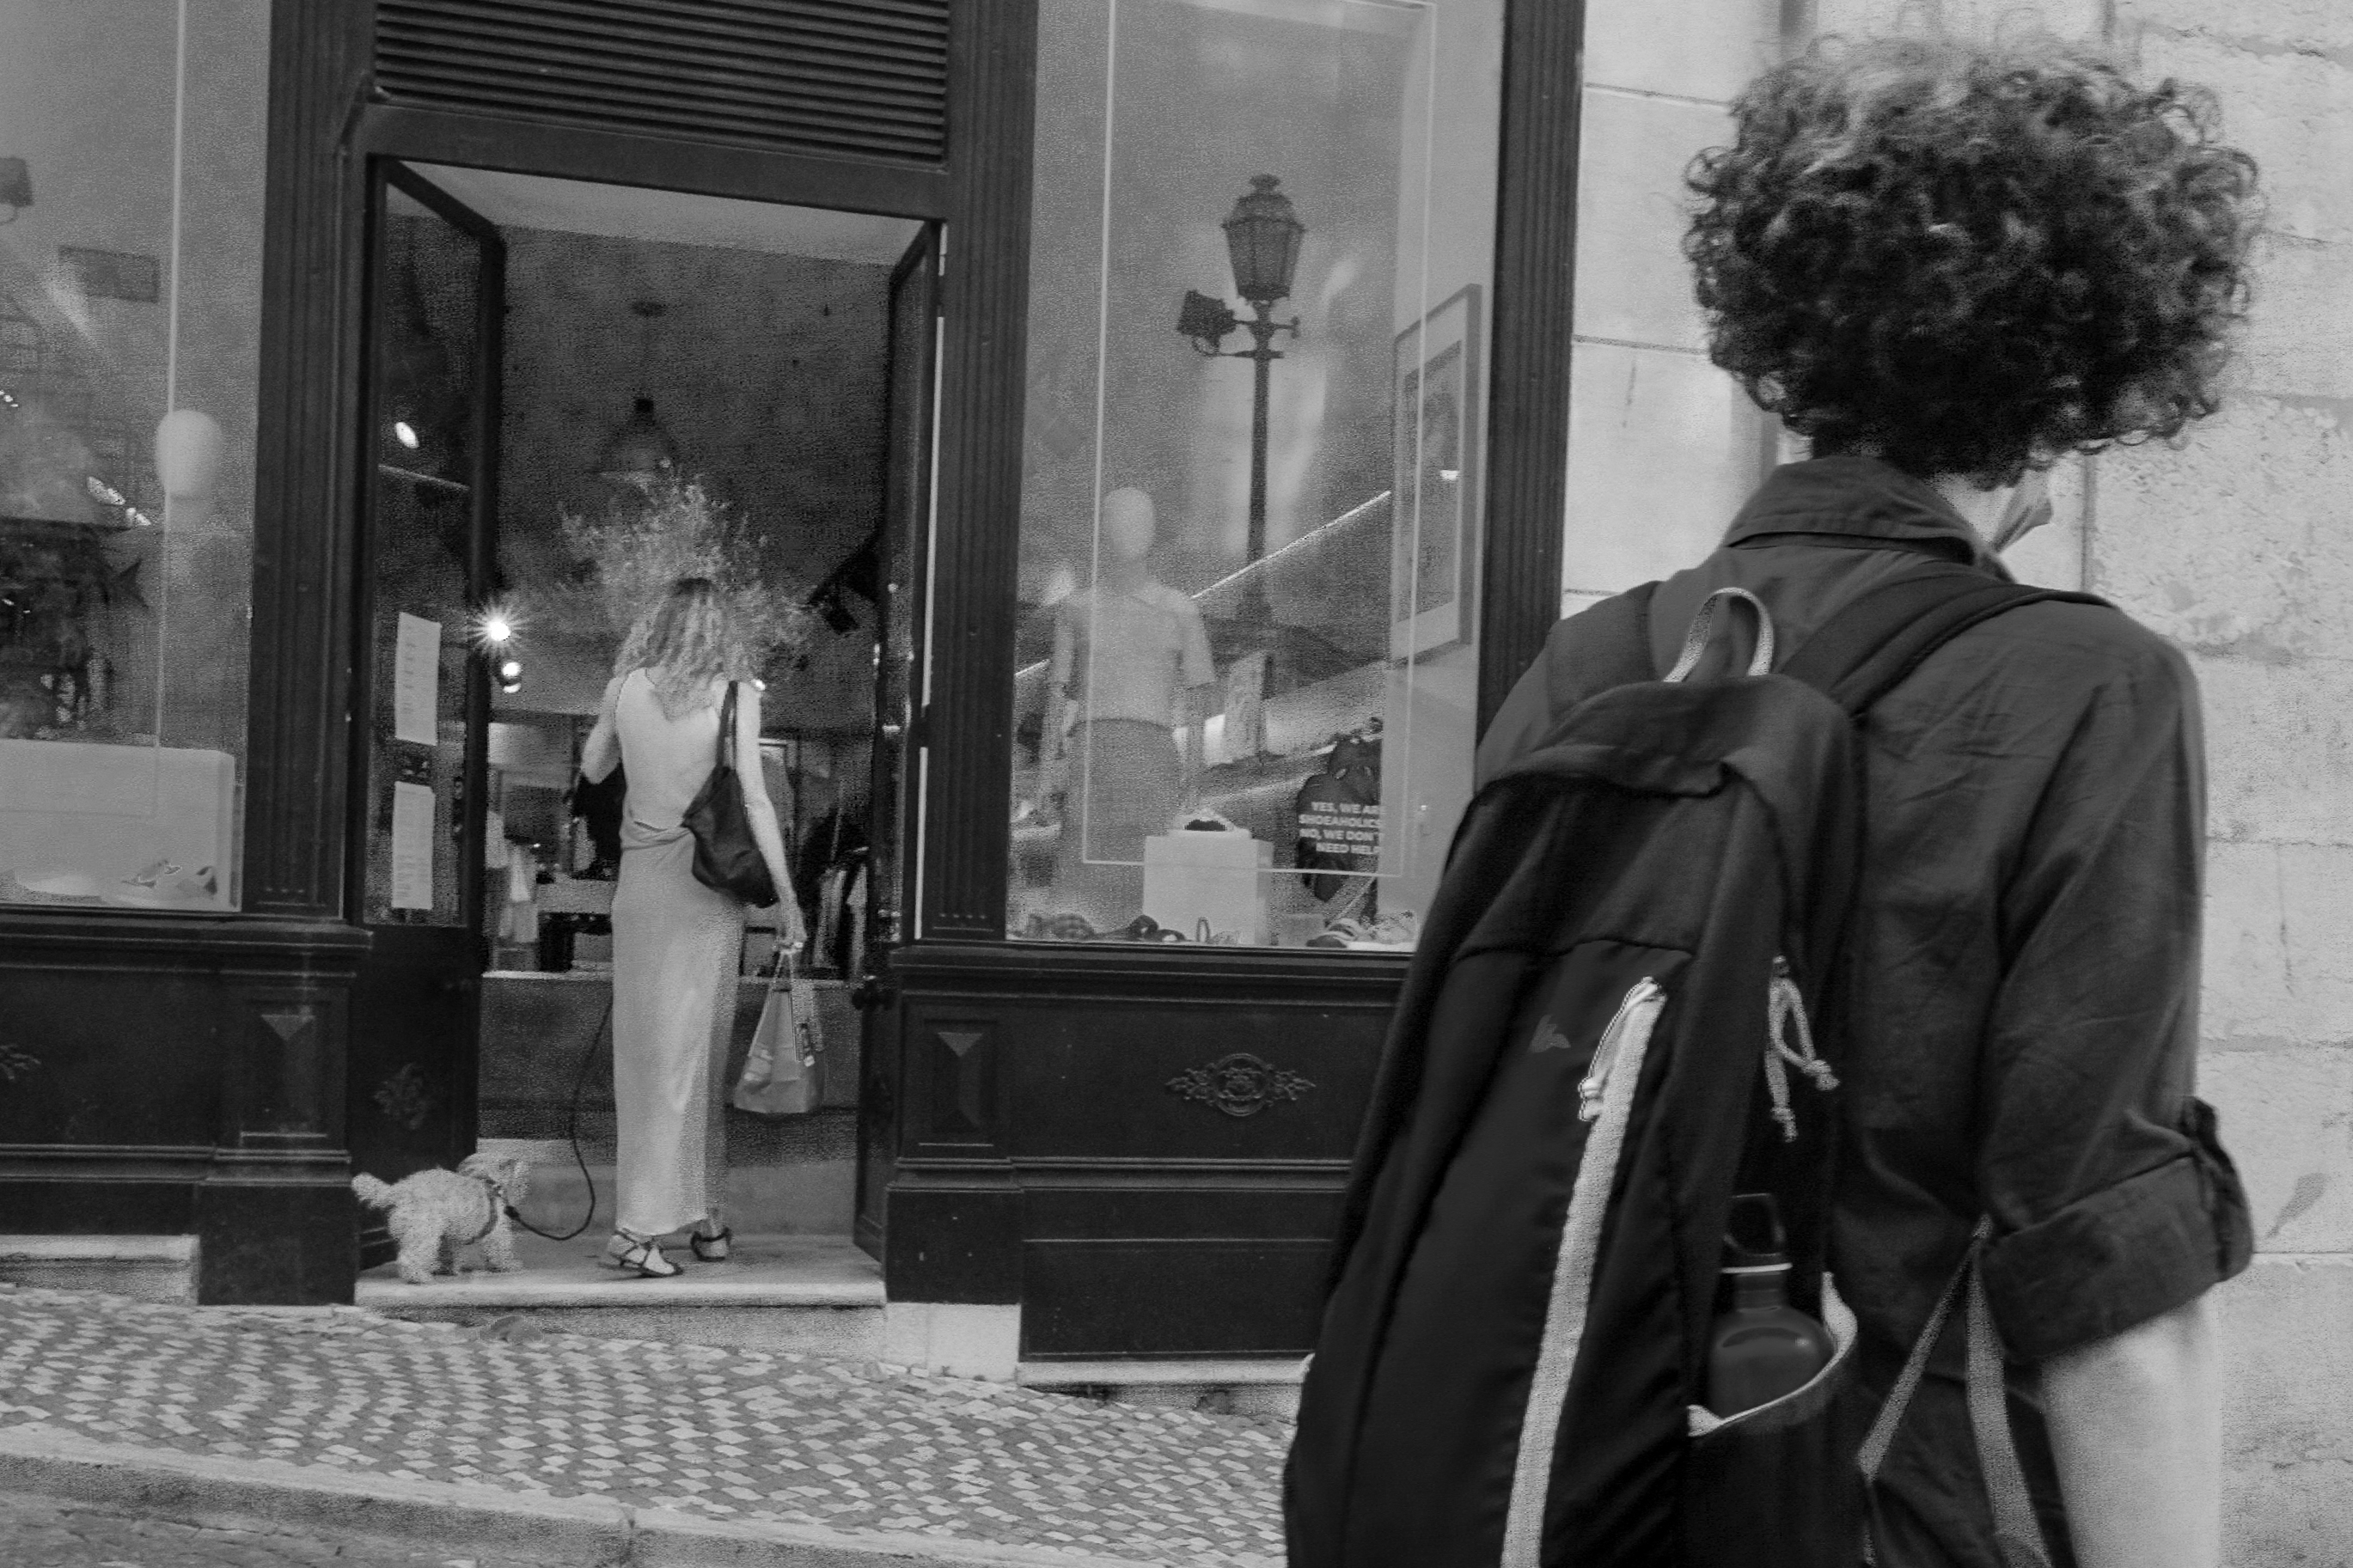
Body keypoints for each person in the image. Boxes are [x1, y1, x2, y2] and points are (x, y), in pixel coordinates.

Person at [1474, 36, 2260, 1568]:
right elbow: (2104, 1270)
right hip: (1884, 1508)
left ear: (1793, 332)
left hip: (1569, 1492)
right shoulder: (2084, 687)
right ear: (2074, 375)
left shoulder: (1595, 662)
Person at [579, 577, 803, 1278]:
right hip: (706, 891)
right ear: (720, 630)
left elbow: (593, 766)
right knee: (694, 1054)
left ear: (657, 624)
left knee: (652, 1057)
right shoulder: (734, 696)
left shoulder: (623, 688)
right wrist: (787, 897)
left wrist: (632, 731)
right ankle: (640, 1228)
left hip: (643, 888)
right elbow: (756, 801)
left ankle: (704, 1212)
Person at [1042, 486, 1217, 932]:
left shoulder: (1180, 610)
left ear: (1154, 532)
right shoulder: (1076, 608)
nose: (1128, 531)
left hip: (1152, 758)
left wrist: (1194, 782)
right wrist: (1044, 778)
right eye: (1117, 521)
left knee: (1150, 876)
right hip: (1093, 755)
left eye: (1139, 521)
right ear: (1103, 531)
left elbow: (1198, 699)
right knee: (1082, 881)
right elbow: (1056, 695)